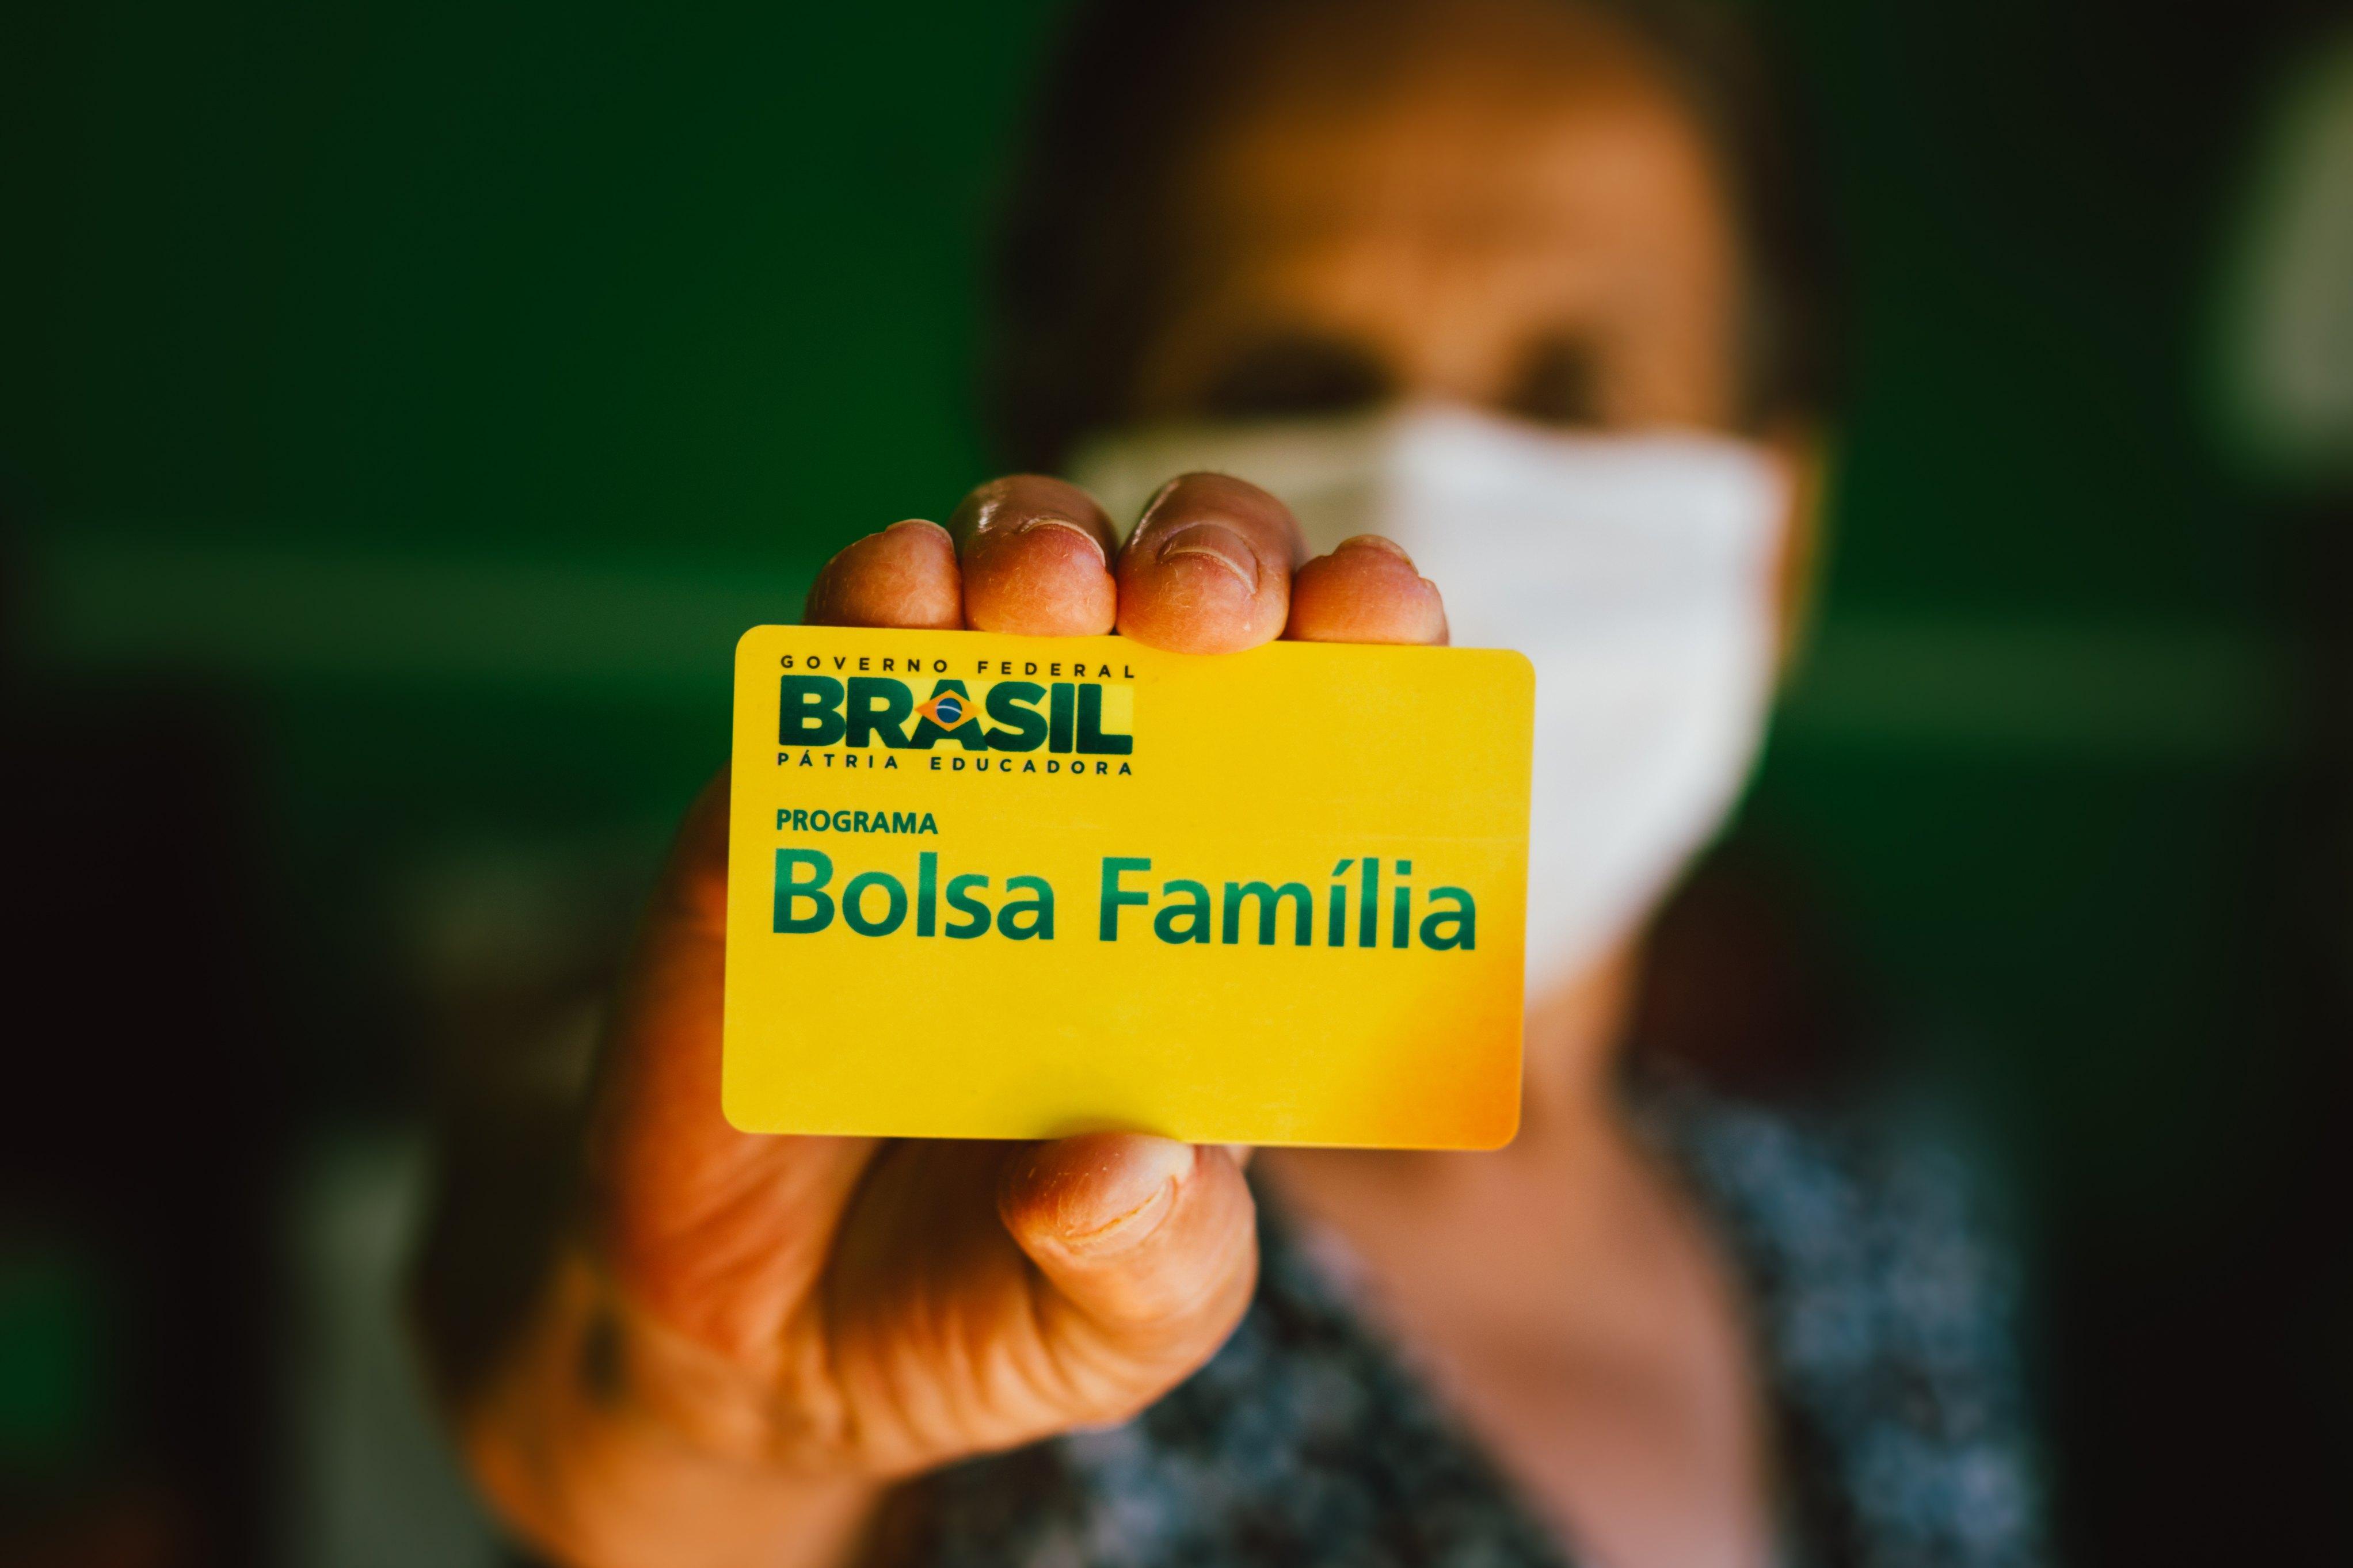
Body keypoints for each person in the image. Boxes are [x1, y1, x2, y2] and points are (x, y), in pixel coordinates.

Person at [414, 2, 2042, 1565]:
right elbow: (606, 1364)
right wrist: (697, 1422)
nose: (1426, 495)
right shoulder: (940, 1202)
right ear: (1069, 450)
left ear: (1781, 532)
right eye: (1287, 383)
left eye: (1569, 393)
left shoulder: (1872, 1242)